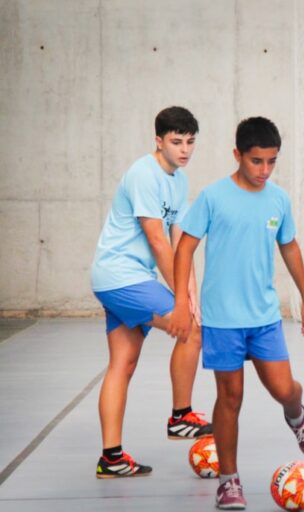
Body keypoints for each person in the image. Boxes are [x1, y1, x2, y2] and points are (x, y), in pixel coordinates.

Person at [169, 117, 304, 510]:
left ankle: (298, 416)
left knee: (283, 389)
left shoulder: (278, 199)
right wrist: (181, 304)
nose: (264, 170)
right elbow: (184, 248)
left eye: (272, 162)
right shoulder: (213, 197)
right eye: (256, 161)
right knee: (230, 396)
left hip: (264, 316)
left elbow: (289, 247)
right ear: (237, 155)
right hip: (222, 319)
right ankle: (229, 480)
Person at [90, 106, 211, 479]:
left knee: (122, 365)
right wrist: (180, 301)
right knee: (191, 330)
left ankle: (111, 458)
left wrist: (191, 293)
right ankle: (180, 417)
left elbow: (181, 243)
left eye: (190, 142)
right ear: (158, 140)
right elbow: (158, 242)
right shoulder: (145, 174)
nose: (184, 150)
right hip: (123, 277)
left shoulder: (177, 181)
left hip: (123, 279)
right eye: (176, 142)